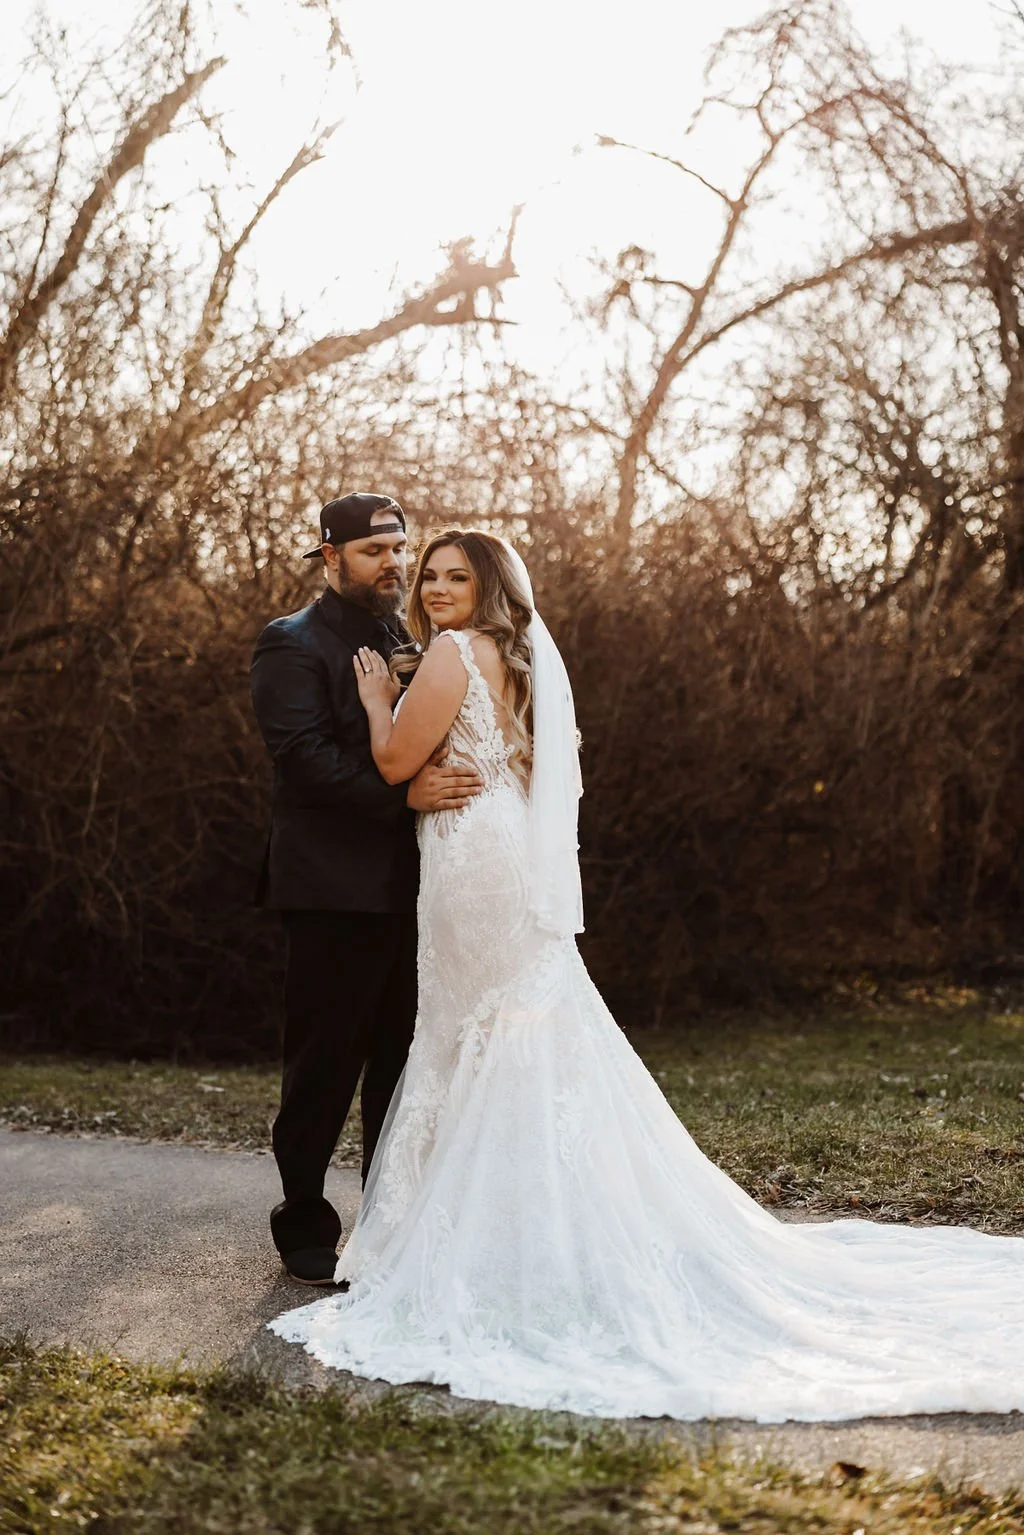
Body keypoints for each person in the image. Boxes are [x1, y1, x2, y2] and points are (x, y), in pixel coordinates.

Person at [269, 529, 1024, 1421]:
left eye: (453, 576)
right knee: (512, 1030)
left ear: (488, 586)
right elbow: (537, 764)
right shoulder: (521, 656)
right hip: (502, 847)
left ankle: (491, 1244)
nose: (434, 589)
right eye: (428, 576)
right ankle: (534, 1226)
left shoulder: (445, 653)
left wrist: (373, 701)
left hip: (472, 863)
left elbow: (395, 762)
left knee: (476, 1034)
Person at [250, 494, 482, 1286]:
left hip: (417, 888)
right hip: (330, 890)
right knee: (324, 1060)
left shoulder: (414, 640)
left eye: (397, 547)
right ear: (329, 555)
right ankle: (304, 1214)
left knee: (401, 1060)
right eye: (372, 550)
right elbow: (304, 758)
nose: (391, 563)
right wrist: (405, 796)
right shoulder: (290, 645)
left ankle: (388, 1217)